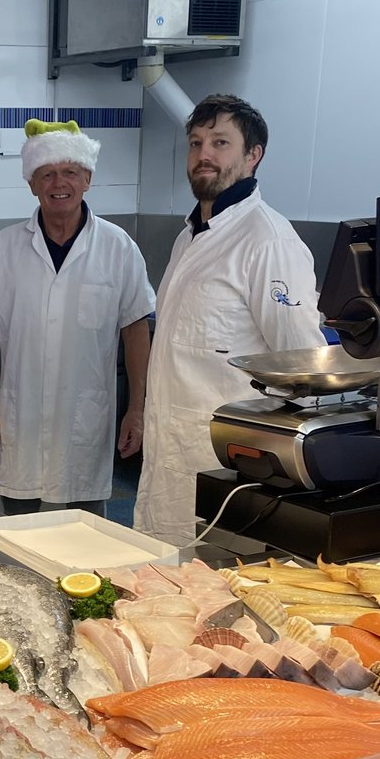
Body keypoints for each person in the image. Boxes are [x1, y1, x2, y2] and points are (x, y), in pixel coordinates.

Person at [135, 93, 326, 545]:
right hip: (172, 455)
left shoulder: (269, 242)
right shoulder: (190, 236)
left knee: (219, 579)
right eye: (196, 143)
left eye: (221, 143)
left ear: (253, 155)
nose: (204, 154)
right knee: (158, 573)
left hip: (230, 469)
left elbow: (301, 370)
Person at [0, 119, 155, 515]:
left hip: (84, 422)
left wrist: (137, 409)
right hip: (21, 421)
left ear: (87, 179)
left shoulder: (118, 248)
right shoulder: (4, 248)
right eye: (46, 174)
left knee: (85, 532)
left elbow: (136, 331)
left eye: (70, 171)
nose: (58, 183)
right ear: (32, 184)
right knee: (19, 533)